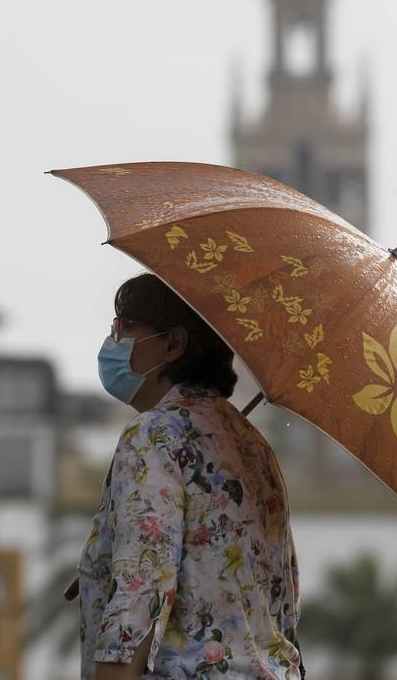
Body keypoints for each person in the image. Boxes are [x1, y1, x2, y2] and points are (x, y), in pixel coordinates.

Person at [77, 271, 304, 680]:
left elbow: (141, 592)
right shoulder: (253, 444)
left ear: (174, 344)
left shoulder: (154, 434)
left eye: (127, 326)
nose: (113, 340)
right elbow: (283, 599)